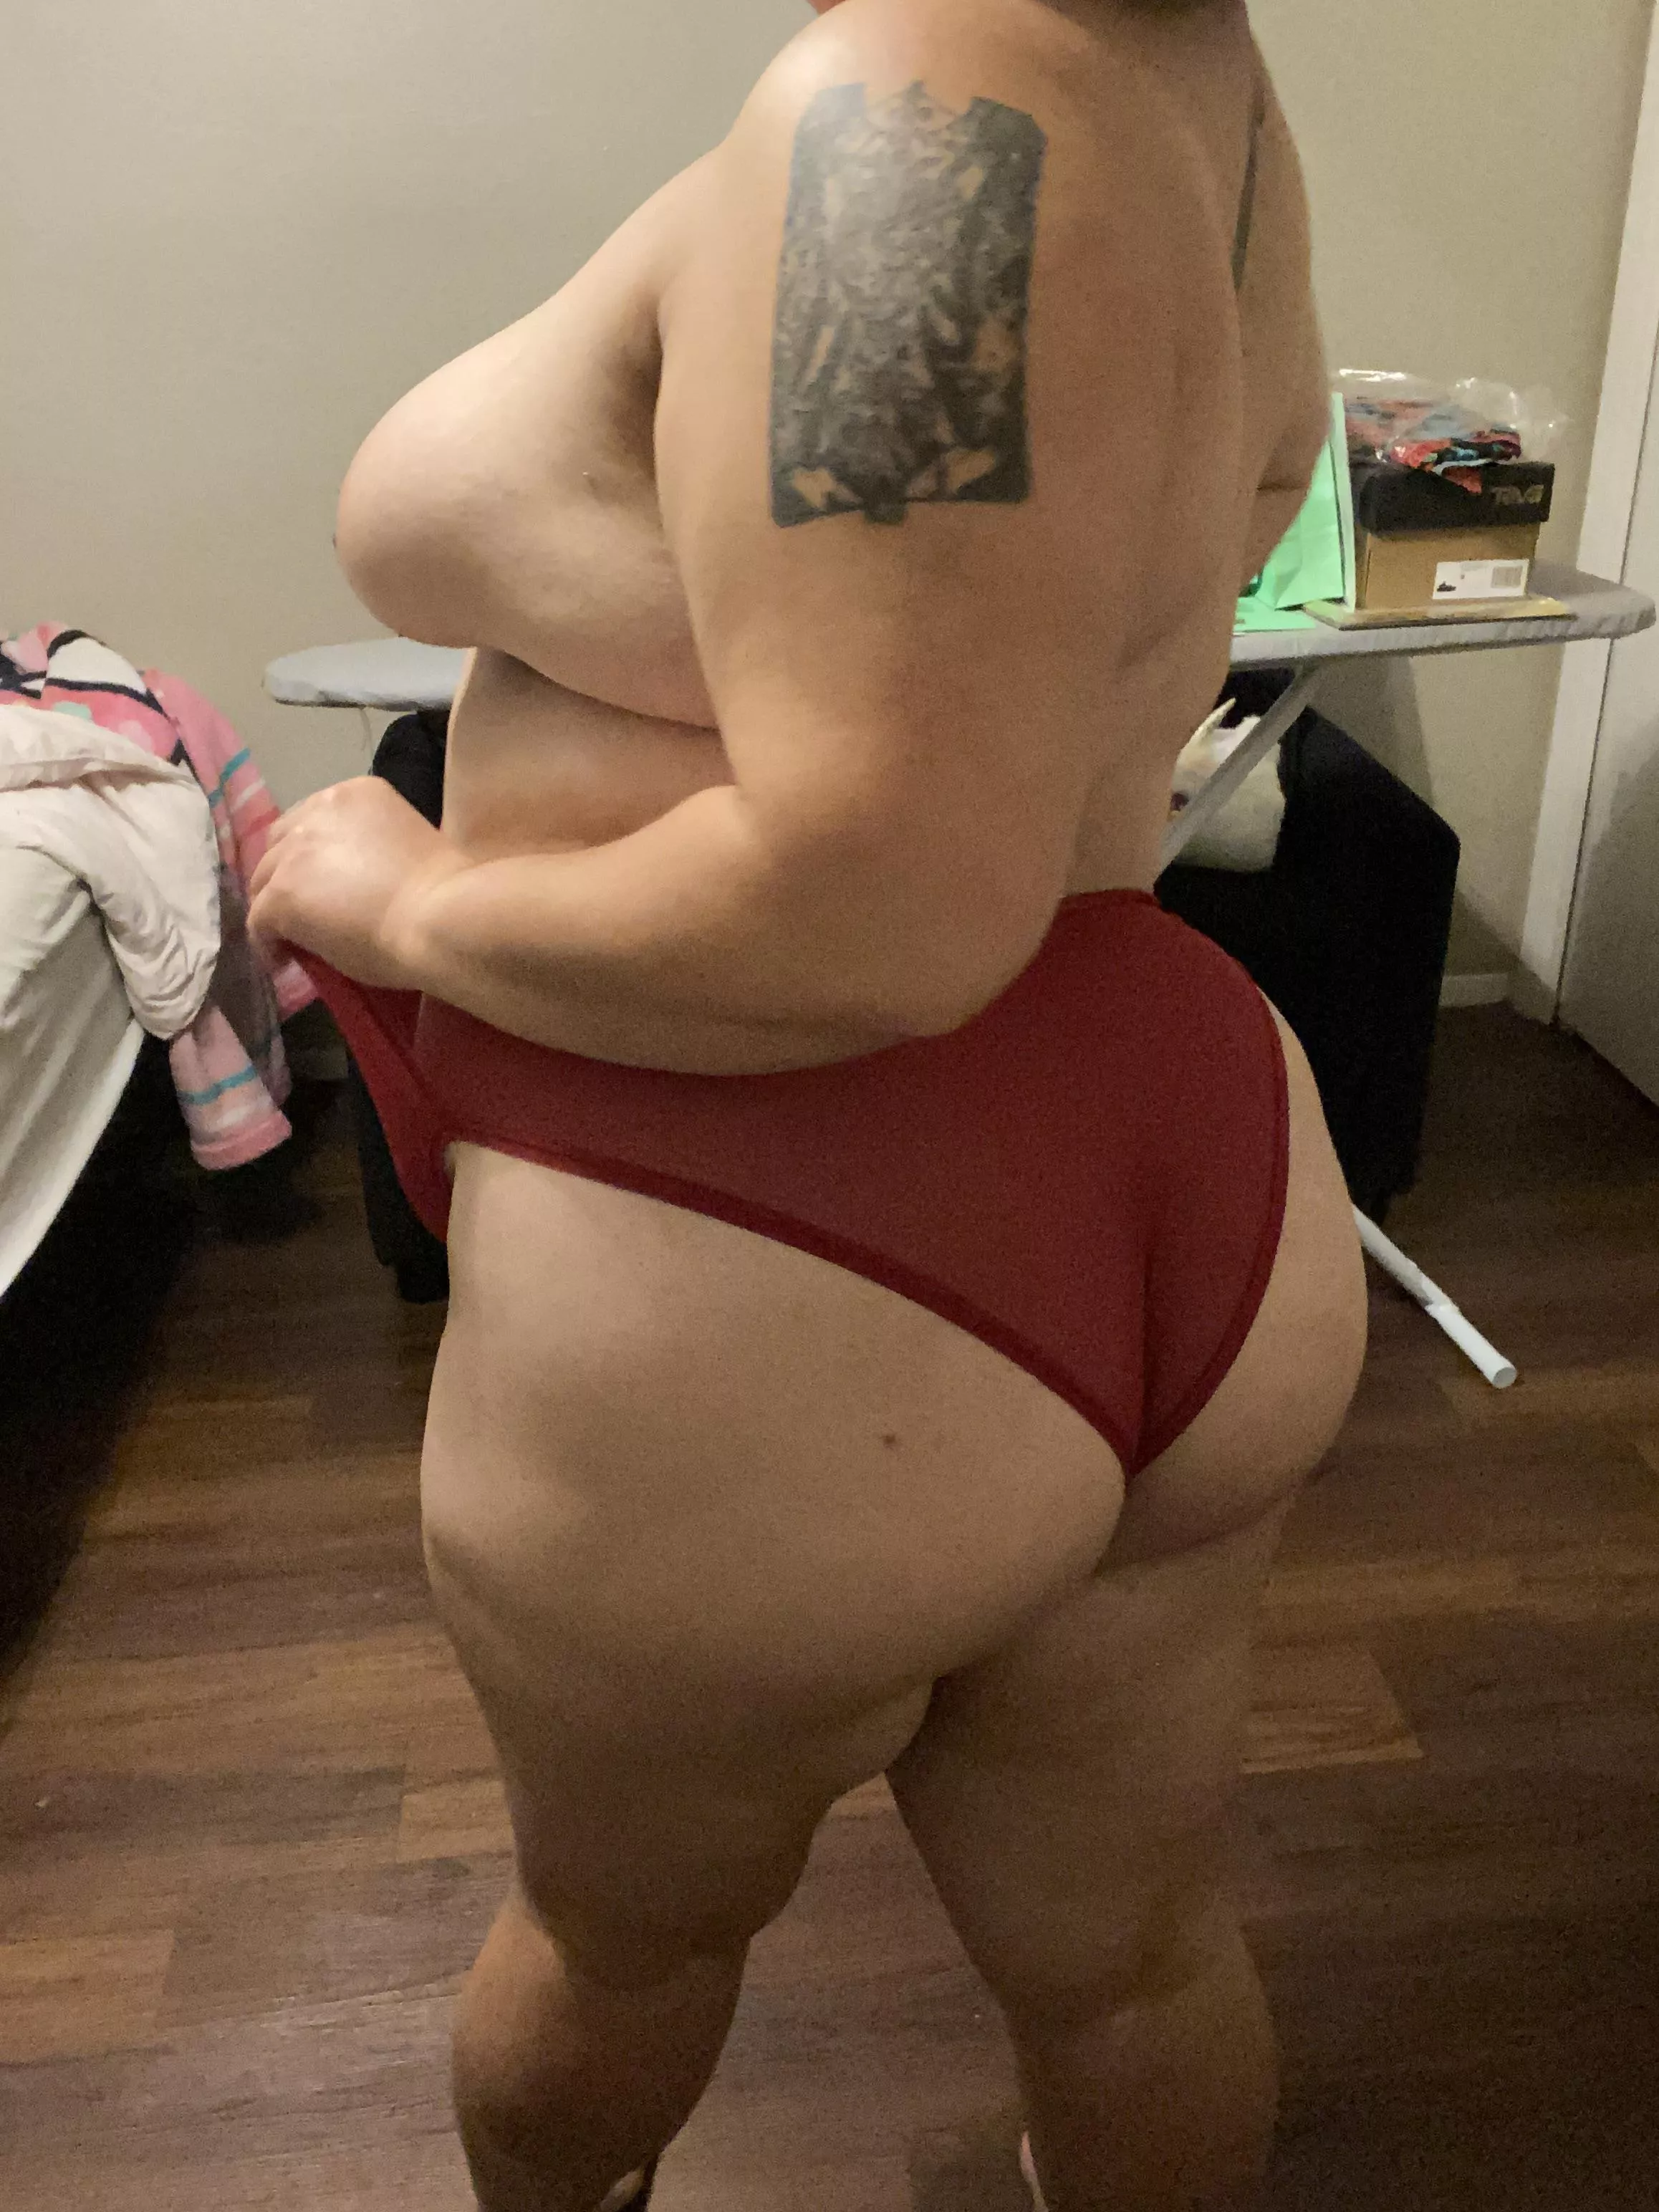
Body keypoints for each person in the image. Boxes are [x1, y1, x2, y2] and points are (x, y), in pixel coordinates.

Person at [250, 1, 1367, 2205]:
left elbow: (875, 909)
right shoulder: (1194, 86)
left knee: (620, 1944)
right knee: (1128, 1959)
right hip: (1163, 1120)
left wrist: (414, 908)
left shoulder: (913, 122)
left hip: (785, 1210)